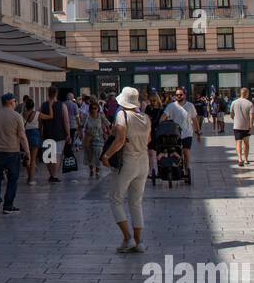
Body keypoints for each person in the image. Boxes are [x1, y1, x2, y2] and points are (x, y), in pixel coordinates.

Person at [100, 87, 152, 253]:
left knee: (115, 199)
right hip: (143, 161)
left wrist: (107, 156)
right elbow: (149, 139)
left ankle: (127, 238)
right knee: (136, 202)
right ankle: (139, 241)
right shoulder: (145, 117)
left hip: (127, 161)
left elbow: (120, 139)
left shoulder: (122, 115)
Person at [0, 93, 29, 214]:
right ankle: (8, 205)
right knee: (12, 179)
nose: (16, 103)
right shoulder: (17, 116)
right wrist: (27, 152)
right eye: (15, 101)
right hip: (12, 152)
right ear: (11, 102)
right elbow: (22, 136)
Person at [37, 87, 70, 183]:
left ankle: (51, 174)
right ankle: (54, 175)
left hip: (47, 133)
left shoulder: (43, 106)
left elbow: (39, 121)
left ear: (48, 93)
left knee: (48, 156)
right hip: (60, 134)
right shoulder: (62, 106)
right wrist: (68, 134)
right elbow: (66, 121)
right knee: (57, 155)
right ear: (56, 93)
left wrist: (40, 131)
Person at [164, 88, 196, 173]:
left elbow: (194, 119)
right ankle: (177, 168)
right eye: (177, 95)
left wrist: (198, 132)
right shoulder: (171, 106)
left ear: (185, 95)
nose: (178, 96)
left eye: (180, 95)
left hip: (187, 133)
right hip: (175, 134)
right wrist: (162, 123)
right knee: (176, 152)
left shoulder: (190, 106)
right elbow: (164, 116)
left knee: (186, 152)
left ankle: (187, 170)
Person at [82, 97, 109, 177]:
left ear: (98, 109)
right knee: (89, 155)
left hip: (99, 138)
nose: (93, 110)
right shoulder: (87, 117)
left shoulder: (101, 116)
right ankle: (91, 169)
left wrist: (109, 131)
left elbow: (108, 124)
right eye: (92, 108)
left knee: (98, 154)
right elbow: (81, 125)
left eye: (95, 108)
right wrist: (80, 133)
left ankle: (97, 170)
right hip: (88, 138)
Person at [230, 87, 254, 166]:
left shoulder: (234, 102)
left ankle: (239, 159)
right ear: (247, 93)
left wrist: (235, 118)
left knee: (238, 142)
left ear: (240, 93)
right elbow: (252, 116)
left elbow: (231, 114)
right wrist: (251, 126)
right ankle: (246, 159)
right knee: (246, 142)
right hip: (246, 126)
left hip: (237, 126)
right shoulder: (250, 103)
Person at [21, 95, 41, 184]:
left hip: (25, 135)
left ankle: (29, 176)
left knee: (28, 157)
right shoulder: (37, 114)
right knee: (33, 159)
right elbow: (50, 116)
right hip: (35, 134)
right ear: (33, 106)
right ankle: (32, 179)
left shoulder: (22, 115)